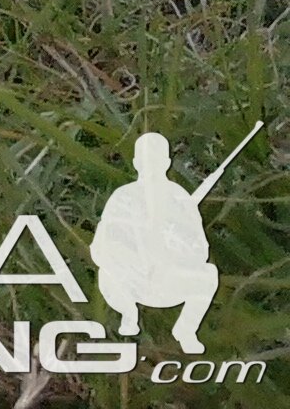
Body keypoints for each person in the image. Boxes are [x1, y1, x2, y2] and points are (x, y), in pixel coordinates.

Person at [91, 133, 220, 354]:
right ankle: (129, 314)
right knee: (106, 273)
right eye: (145, 161)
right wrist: (129, 259)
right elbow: (102, 243)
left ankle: (186, 330)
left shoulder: (179, 198)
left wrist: (175, 247)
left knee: (208, 275)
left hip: (169, 280)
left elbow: (200, 248)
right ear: (136, 164)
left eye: (156, 161)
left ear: (167, 163)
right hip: (130, 280)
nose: (151, 167)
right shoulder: (124, 197)